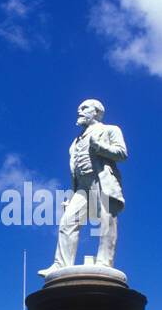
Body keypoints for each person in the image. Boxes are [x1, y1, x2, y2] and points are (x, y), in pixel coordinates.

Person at [39, 99, 127, 275]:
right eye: (79, 107)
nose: (79, 111)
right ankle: (61, 264)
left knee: (106, 221)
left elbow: (122, 153)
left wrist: (99, 147)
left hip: (101, 180)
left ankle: (104, 262)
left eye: (84, 108)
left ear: (96, 112)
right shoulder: (76, 141)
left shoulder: (110, 130)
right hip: (82, 186)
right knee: (67, 222)